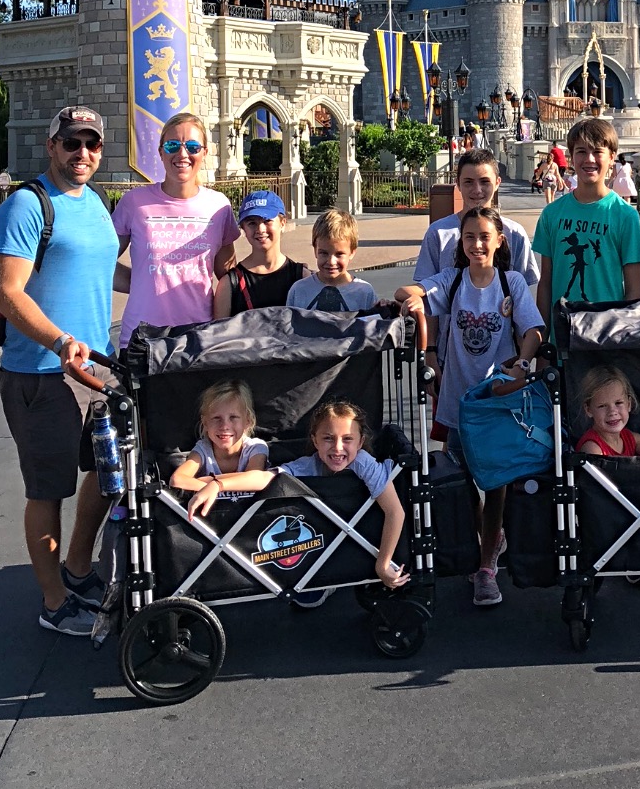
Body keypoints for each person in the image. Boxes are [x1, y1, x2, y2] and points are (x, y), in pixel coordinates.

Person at [0, 106, 120, 635]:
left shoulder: (97, 202)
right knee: (47, 489)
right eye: (71, 143)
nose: (82, 153)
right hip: (41, 372)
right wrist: (61, 340)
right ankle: (53, 602)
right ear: (52, 146)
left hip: (95, 371)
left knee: (104, 472)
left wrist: (177, 270)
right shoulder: (27, 204)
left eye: (91, 143)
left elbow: (110, 269)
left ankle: (79, 568)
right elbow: (7, 290)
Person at [397, 206, 544, 607]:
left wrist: (523, 363)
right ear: (460, 244)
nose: (477, 244)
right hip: (458, 402)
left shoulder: (511, 283)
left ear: (500, 240)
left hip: (495, 405)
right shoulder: (453, 279)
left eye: (484, 236)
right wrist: (411, 298)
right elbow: (413, 292)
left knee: (495, 486)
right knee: (460, 483)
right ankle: (482, 544)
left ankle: (485, 567)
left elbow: (532, 330)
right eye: (469, 238)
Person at [208, 401, 410, 597]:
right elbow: (264, 478)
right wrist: (214, 484)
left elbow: (395, 512)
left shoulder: (364, 463)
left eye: (347, 439)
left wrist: (383, 564)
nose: (338, 448)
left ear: (360, 442)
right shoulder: (307, 465)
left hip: (366, 540)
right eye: (328, 439)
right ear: (315, 441)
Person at [113, 112, 239, 348]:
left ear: (204, 152)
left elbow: (227, 274)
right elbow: (100, 261)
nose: (182, 154)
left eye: (192, 146)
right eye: (172, 145)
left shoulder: (219, 206)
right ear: (161, 152)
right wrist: (141, 281)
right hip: (141, 337)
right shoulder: (134, 202)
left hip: (197, 337)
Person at [533, 117, 640, 323]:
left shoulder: (625, 216)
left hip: (606, 336)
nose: (589, 159)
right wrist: (543, 341)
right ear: (571, 158)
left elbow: (634, 290)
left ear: (612, 157)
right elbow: (546, 283)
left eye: (597, 151)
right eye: (581, 152)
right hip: (563, 336)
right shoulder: (552, 214)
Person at [415, 149, 540, 285]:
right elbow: (425, 289)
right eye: (468, 182)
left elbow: (527, 288)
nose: (477, 190)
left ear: (497, 183)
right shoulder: (438, 233)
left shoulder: (514, 233)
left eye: (484, 182)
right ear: (458, 183)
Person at [169, 380, 269, 515]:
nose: (224, 426)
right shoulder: (204, 448)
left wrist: (211, 484)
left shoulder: (256, 448)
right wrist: (213, 487)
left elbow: (253, 479)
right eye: (216, 418)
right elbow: (177, 480)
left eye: (233, 417)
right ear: (205, 422)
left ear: (248, 421)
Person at [213, 190, 307, 316]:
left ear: (283, 223)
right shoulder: (229, 284)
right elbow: (219, 333)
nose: (260, 229)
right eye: (252, 223)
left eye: (267, 221)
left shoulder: (302, 277)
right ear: (243, 228)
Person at [286, 209, 379, 311]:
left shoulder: (364, 292)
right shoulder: (298, 290)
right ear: (315, 250)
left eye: (339, 254)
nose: (331, 261)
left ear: (352, 252)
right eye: (324, 253)